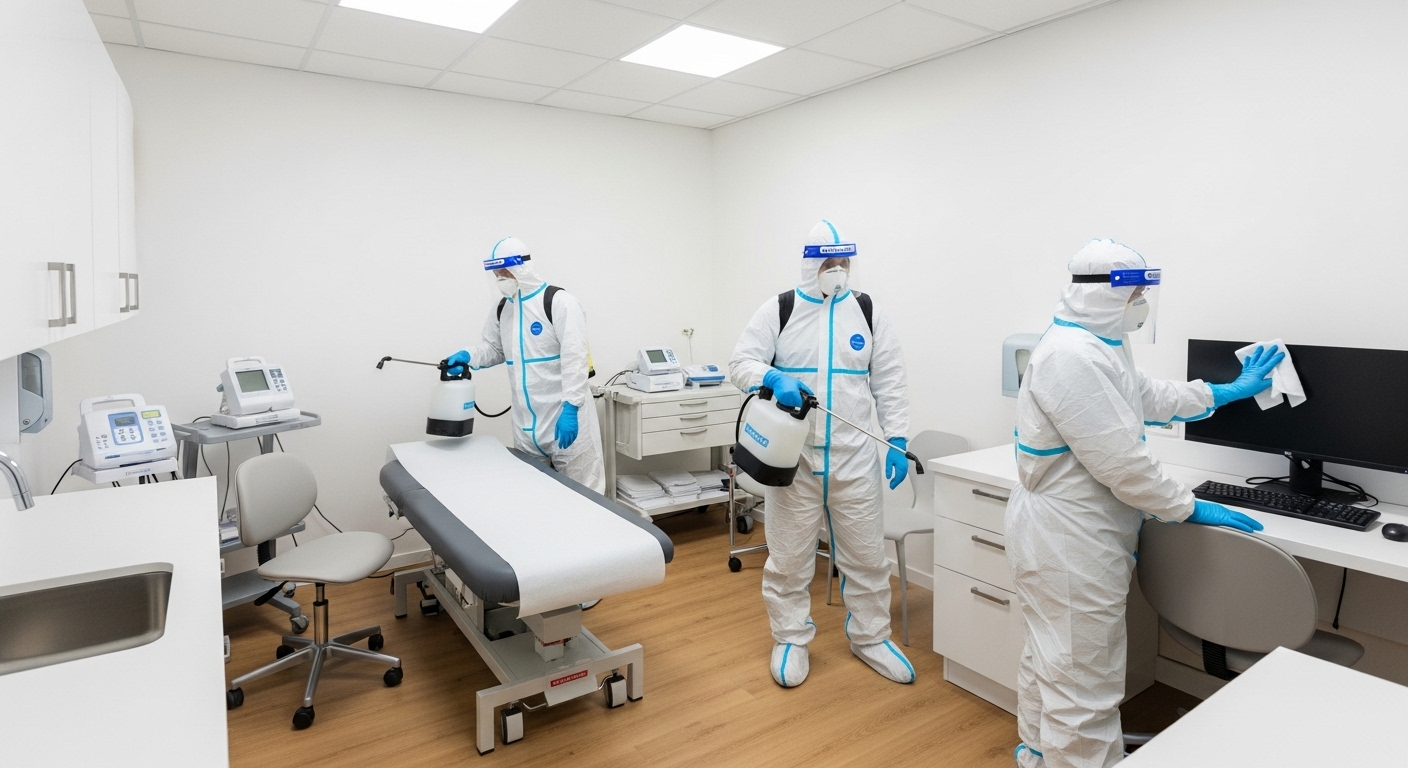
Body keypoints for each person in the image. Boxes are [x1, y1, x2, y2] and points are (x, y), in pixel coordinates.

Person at [1007, 238, 1283, 768]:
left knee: (1054, 657)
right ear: (1106, 295)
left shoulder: (1096, 342)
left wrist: (1221, 392)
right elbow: (1122, 464)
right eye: (1135, 295)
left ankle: (1039, 754)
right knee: (1082, 681)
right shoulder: (1071, 356)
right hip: (1068, 535)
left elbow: (1144, 396)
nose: (1142, 306)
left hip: (1070, 527)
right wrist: (1186, 506)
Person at [729, 219, 916, 688]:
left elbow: (890, 380)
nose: (837, 270)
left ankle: (870, 636)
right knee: (790, 559)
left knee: (867, 558)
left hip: (855, 460)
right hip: (796, 461)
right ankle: (790, 638)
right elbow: (741, 362)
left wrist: (897, 439)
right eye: (828, 262)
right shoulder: (781, 309)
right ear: (809, 265)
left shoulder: (867, 312)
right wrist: (771, 377)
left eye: (843, 261)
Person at [447, 237, 605, 495]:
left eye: (505, 272)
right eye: (497, 275)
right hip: (527, 428)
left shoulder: (559, 302)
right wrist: (469, 356)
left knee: (585, 495)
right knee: (534, 496)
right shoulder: (503, 309)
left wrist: (571, 408)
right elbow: (495, 349)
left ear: (521, 267)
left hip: (565, 419)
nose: (501, 279)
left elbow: (576, 359)